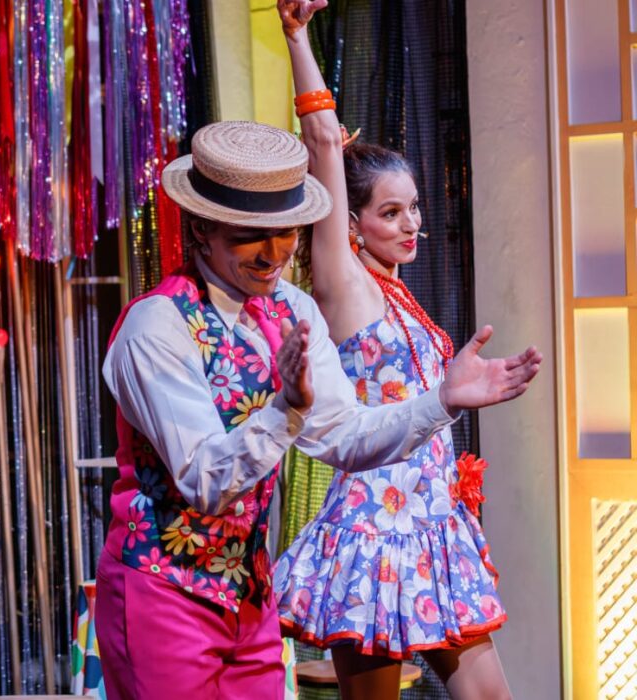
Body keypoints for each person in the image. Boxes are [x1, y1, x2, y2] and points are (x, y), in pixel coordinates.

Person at [93, 124, 541, 698]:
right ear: (202, 228)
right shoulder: (157, 326)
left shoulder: (290, 308)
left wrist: (441, 401)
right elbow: (205, 481)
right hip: (164, 593)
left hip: (248, 597)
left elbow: (346, 437)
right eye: (251, 236)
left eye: (286, 232)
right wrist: (287, 408)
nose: (274, 254)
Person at [271, 2, 514, 698]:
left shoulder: (403, 295)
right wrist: (297, 37)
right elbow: (324, 141)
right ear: (350, 222)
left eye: (413, 208)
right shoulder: (345, 283)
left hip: (434, 525)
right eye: (389, 212)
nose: (410, 224)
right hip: (374, 533)